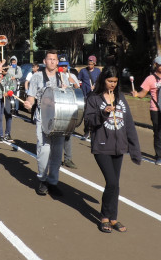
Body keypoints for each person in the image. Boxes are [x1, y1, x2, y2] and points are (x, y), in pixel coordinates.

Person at [85, 66, 141, 233]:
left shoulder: (120, 97)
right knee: (112, 182)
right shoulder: (94, 98)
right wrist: (103, 113)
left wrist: (134, 149)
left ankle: (113, 218)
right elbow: (88, 121)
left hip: (119, 147)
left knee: (115, 185)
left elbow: (129, 124)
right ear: (103, 80)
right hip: (102, 146)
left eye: (115, 82)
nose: (113, 85)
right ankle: (104, 216)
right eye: (110, 81)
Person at [23, 50, 73, 196]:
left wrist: (67, 90)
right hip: (43, 116)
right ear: (44, 61)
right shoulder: (37, 77)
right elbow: (31, 97)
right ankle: (42, 180)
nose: (52, 61)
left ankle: (53, 182)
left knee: (57, 151)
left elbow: (69, 98)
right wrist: (29, 103)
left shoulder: (63, 77)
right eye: (49, 59)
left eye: (54, 59)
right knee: (44, 150)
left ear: (58, 62)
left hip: (59, 117)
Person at [132, 56, 161, 165]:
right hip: (156, 110)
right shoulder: (150, 79)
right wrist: (136, 94)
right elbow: (143, 93)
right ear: (155, 65)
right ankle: (159, 156)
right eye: (160, 65)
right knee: (158, 133)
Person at [58, 56, 81, 170]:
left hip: (70, 108)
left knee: (68, 134)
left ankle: (68, 159)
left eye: (65, 66)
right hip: (59, 109)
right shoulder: (56, 77)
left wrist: (73, 83)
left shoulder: (72, 76)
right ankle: (56, 158)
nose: (63, 68)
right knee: (57, 134)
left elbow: (78, 90)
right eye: (61, 65)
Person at [0, 56, 22, 142]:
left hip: (8, 97)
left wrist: (7, 92)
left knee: (8, 114)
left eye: (5, 71)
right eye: (2, 70)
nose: (4, 71)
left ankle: (7, 134)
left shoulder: (9, 76)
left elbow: (11, 87)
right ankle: (0, 135)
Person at [78, 55, 101, 140]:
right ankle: (86, 131)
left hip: (95, 96)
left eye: (91, 64)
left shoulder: (98, 71)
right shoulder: (83, 71)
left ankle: (93, 132)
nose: (89, 65)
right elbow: (78, 80)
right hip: (85, 96)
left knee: (94, 115)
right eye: (88, 63)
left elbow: (100, 82)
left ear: (94, 63)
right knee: (86, 115)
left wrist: (95, 86)